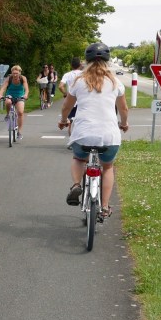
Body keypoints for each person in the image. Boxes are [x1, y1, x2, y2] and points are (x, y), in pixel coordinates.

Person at [57, 42, 129, 220]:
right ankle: (104, 207)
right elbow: (124, 109)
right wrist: (124, 124)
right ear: (107, 60)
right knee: (107, 167)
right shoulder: (115, 82)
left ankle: (75, 185)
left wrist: (64, 121)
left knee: (79, 158)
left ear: (87, 60)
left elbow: (67, 106)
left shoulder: (78, 81)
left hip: (83, 134)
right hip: (109, 136)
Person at [58, 56, 85, 148]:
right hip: (82, 100)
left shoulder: (67, 75)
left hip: (71, 101)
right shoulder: (85, 74)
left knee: (70, 122)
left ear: (71, 65)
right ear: (80, 65)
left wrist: (65, 93)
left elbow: (60, 86)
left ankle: (72, 141)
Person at [0, 65, 29, 140]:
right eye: (13, 73)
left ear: (20, 73)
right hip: (10, 95)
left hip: (20, 96)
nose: (15, 75)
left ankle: (19, 132)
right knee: (8, 102)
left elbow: (26, 89)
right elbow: (3, 88)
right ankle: (8, 114)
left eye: (16, 73)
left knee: (20, 112)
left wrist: (26, 95)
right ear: (11, 73)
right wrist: (0, 95)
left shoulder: (23, 78)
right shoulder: (9, 78)